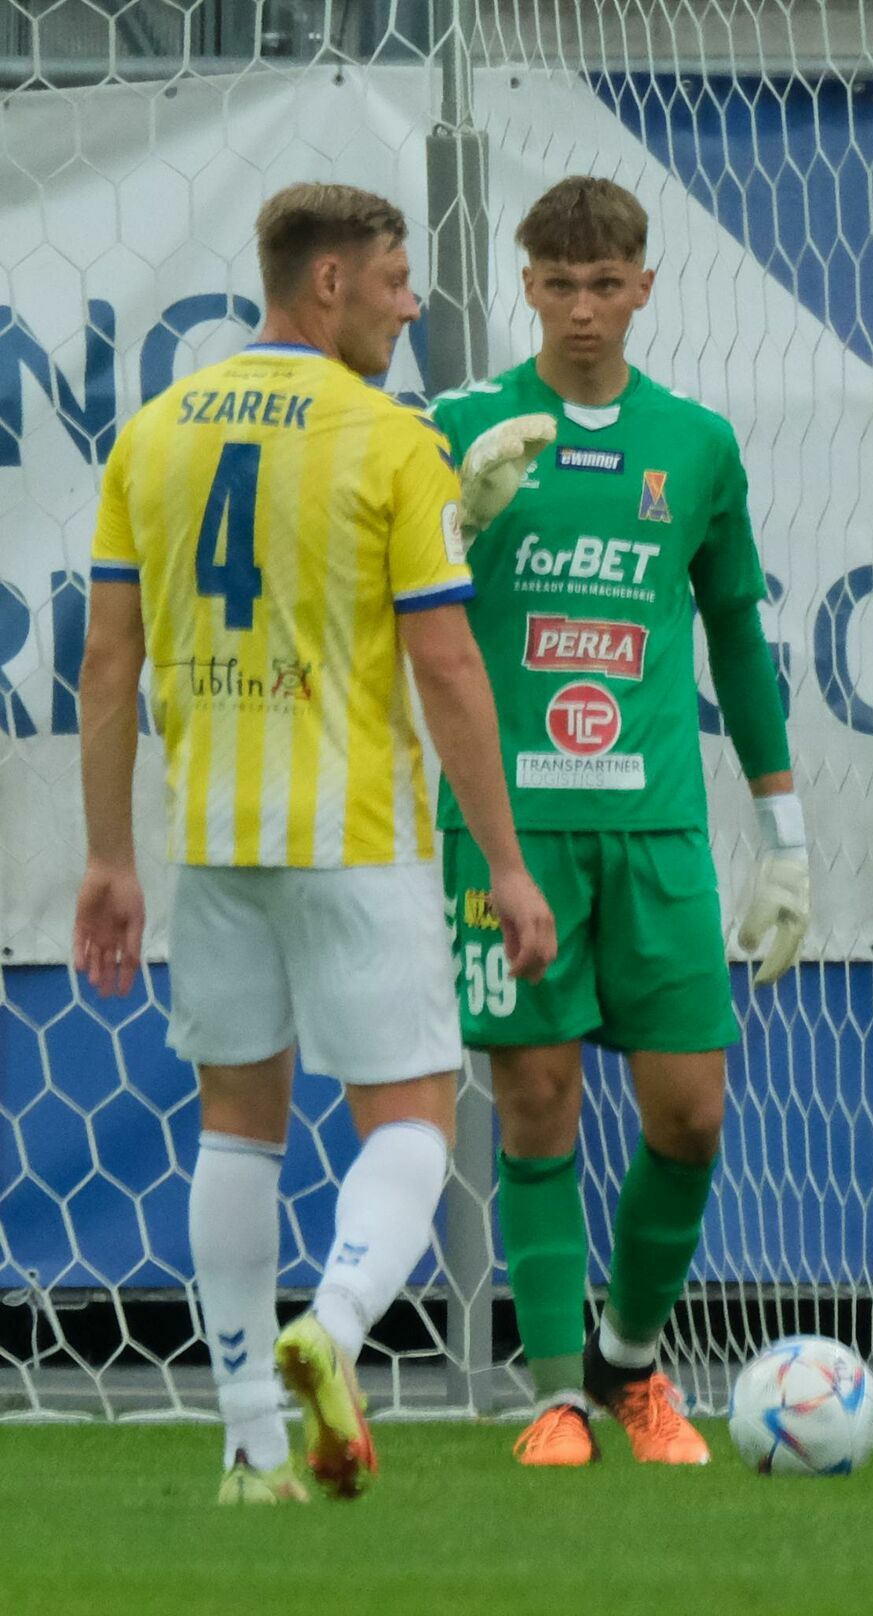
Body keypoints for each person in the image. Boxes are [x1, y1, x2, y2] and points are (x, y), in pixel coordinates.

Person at [73, 181, 555, 1505]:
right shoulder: (390, 439)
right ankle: (331, 1331)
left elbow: (107, 662)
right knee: (410, 1116)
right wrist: (506, 863)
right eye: (397, 278)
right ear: (329, 283)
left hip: (215, 839)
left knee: (238, 1129)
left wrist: (110, 857)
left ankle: (246, 1447)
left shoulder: (155, 433)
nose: (412, 303)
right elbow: (448, 664)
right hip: (354, 834)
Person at [432, 176, 810, 1467]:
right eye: (559, 283)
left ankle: (633, 1364)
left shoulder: (695, 444)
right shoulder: (464, 428)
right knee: (535, 1103)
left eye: (607, 285)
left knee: (691, 1115)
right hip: (512, 830)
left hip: (656, 833)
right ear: (523, 285)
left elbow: (739, 642)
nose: (583, 309)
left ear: (646, 287)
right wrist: (456, 522)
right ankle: (553, 1396)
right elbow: (400, 609)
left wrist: (788, 832)